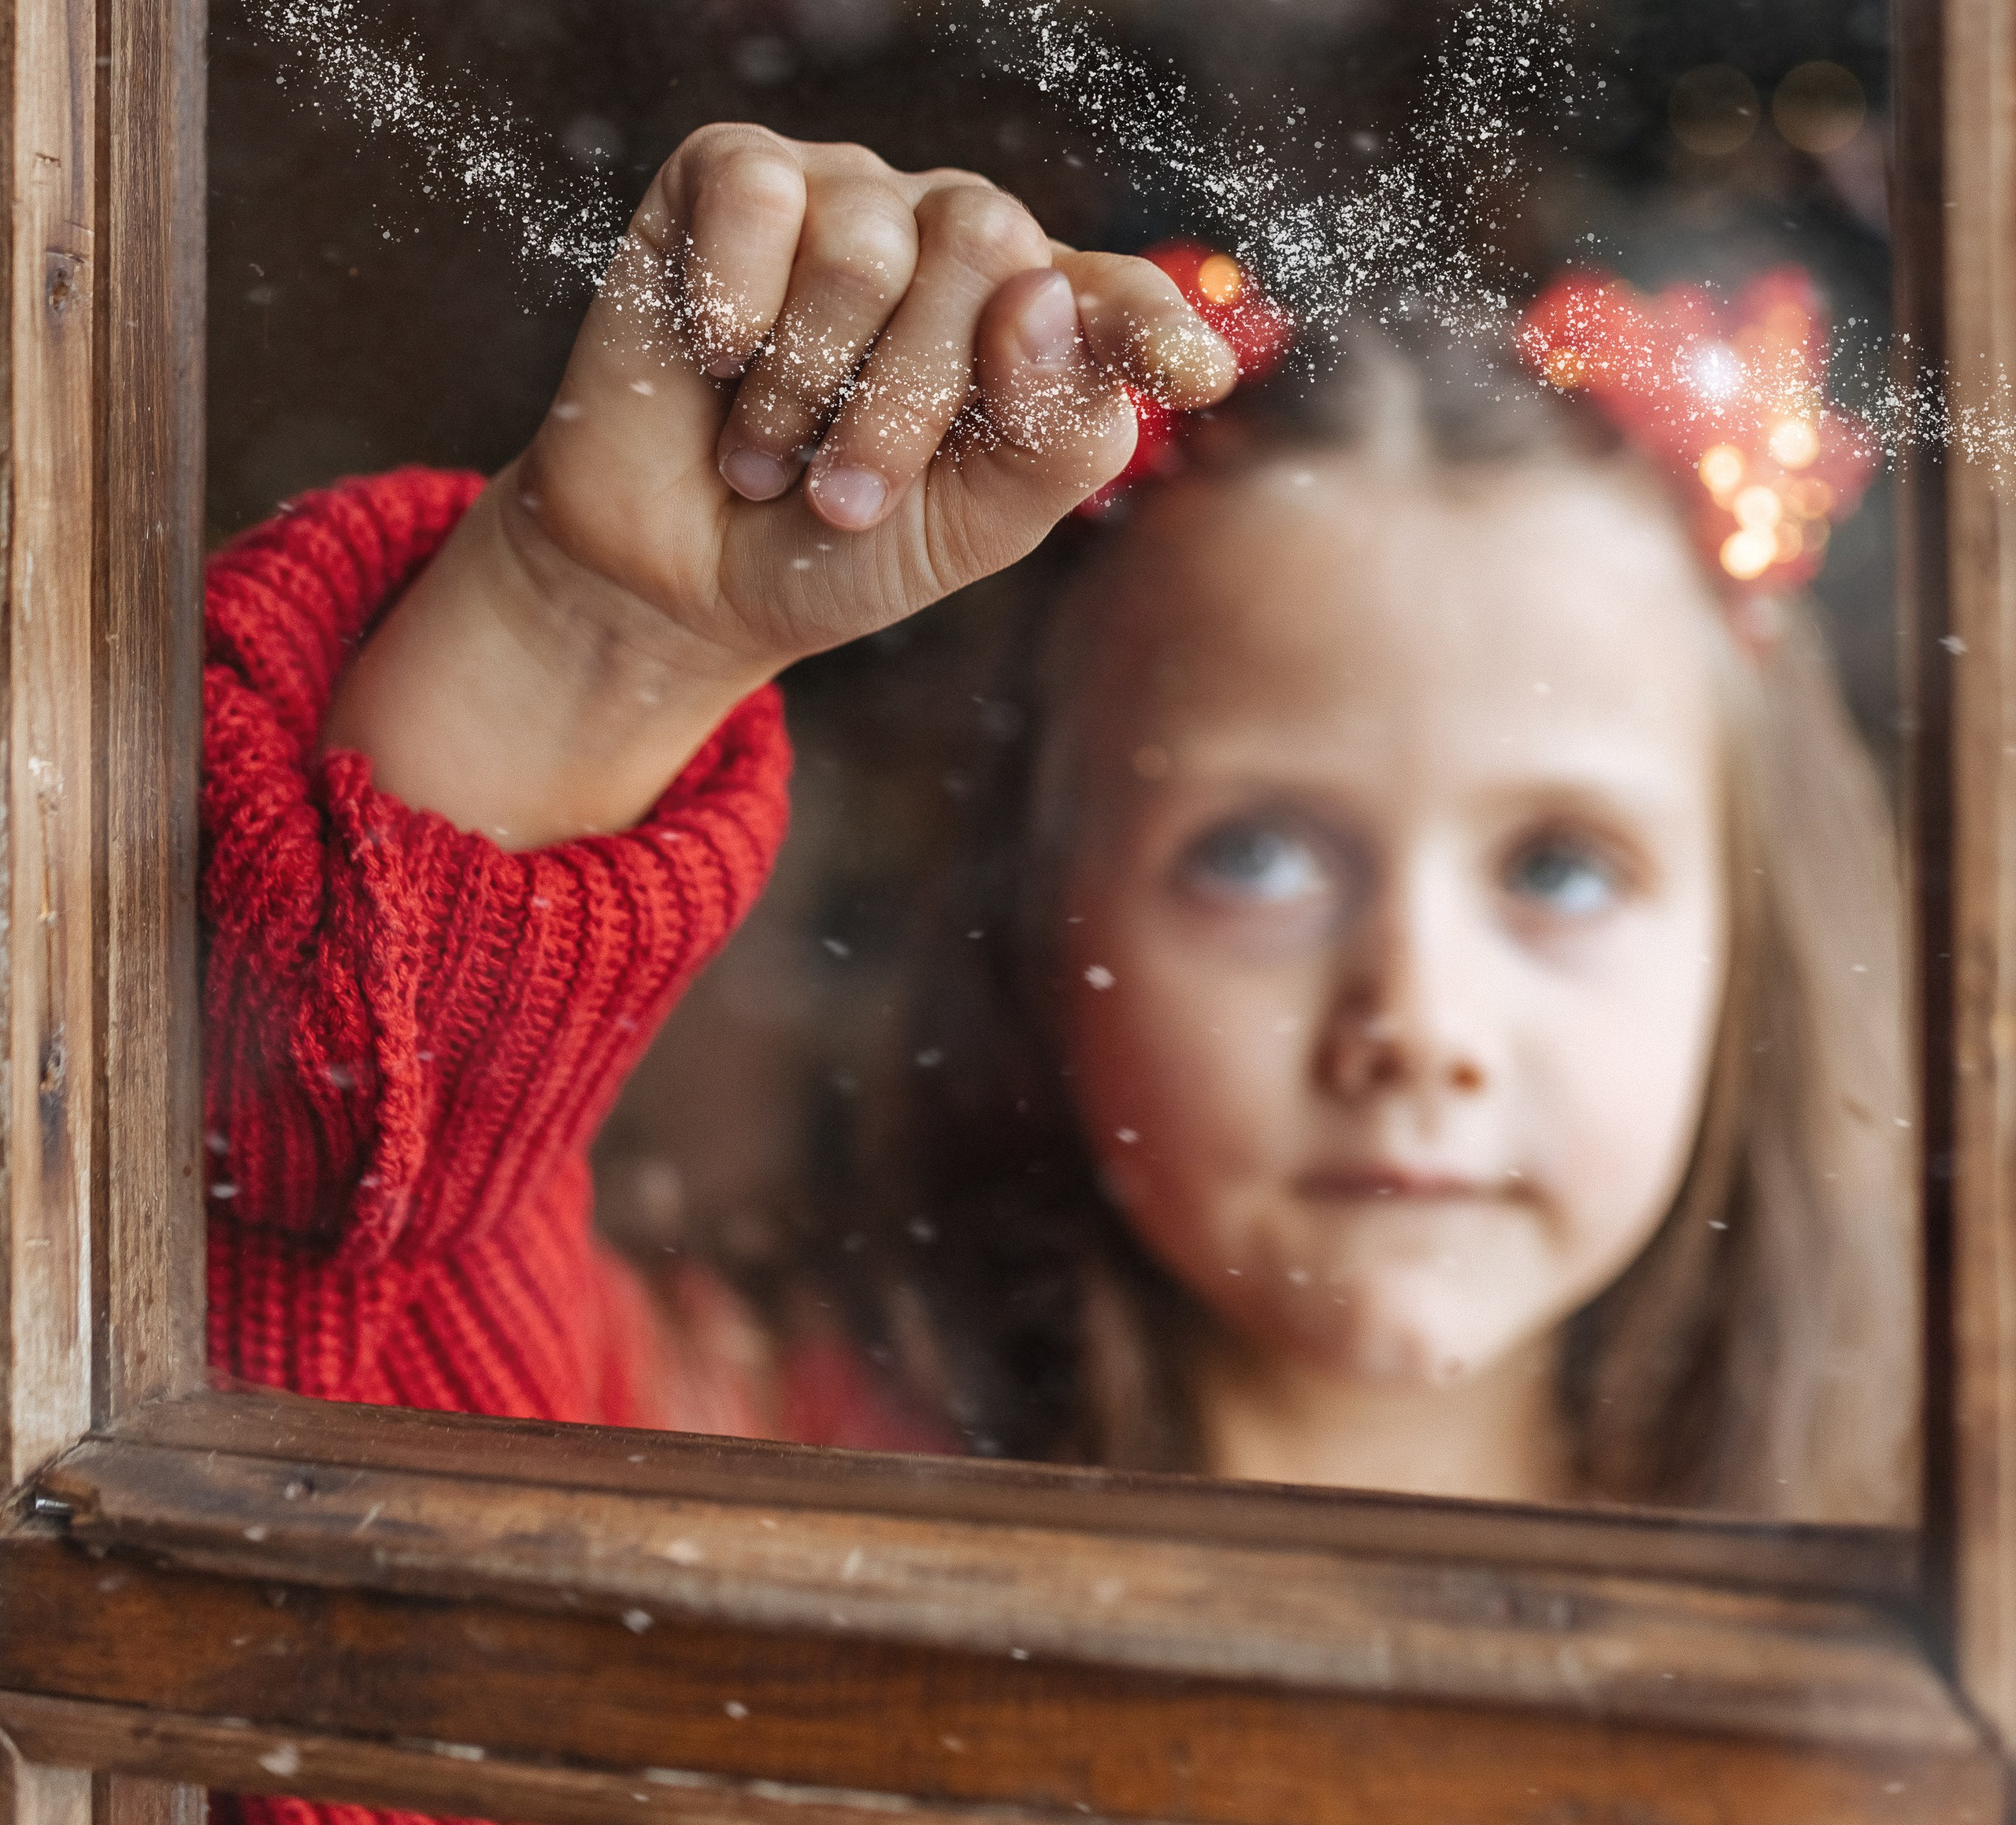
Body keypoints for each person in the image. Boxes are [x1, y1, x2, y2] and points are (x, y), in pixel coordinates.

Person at [202, 123, 1912, 1520]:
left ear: (1746, 934)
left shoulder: (1925, 1611)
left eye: (1557, 866)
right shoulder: (746, 1482)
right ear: (1043, 909)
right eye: (1252, 856)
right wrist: (589, 635)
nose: (1417, 1029)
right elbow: (330, 1275)